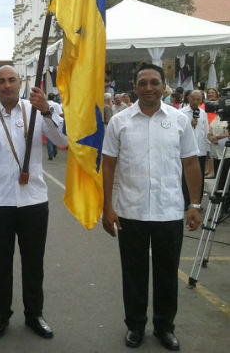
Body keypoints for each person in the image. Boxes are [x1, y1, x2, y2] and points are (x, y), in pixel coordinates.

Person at [102, 64, 202, 351]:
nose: (148, 88)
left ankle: (164, 327)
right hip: (130, 211)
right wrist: (107, 207)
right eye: (143, 83)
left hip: (168, 211)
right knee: (133, 273)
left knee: (167, 274)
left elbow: (191, 163)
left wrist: (194, 204)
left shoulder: (179, 120)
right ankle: (135, 326)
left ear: (164, 85)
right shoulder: (120, 122)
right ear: (135, 87)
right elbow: (108, 165)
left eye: (154, 82)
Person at [0, 66, 67, 340]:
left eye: (12, 80)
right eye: (1, 81)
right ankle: (0, 314)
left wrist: (46, 110)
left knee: (34, 262)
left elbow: (63, 142)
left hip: (33, 200)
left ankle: (35, 315)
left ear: (20, 83)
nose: (7, 85)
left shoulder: (38, 110)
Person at [180, 90, 207, 209]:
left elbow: (205, 131)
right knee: (185, 176)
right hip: (186, 150)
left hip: (200, 150)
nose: (196, 102)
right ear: (188, 99)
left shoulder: (203, 113)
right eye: (193, 99)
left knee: (199, 176)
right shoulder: (181, 113)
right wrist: (191, 124)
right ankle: (186, 200)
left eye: (198, 99)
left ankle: (197, 202)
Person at [46, 93, 63, 160]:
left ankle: (50, 155)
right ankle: (54, 152)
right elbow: (61, 114)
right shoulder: (56, 104)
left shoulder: (45, 103)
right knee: (55, 138)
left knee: (49, 140)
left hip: (47, 123)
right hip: (56, 123)